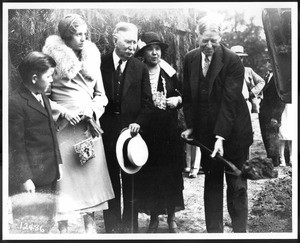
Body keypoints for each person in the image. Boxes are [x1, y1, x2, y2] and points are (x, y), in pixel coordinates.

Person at [42, 14, 114, 233]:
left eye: (85, 34)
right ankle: (63, 231)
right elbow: (43, 97)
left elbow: (102, 96)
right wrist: (63, 112)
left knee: (90, 182)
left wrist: (91, 109)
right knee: (65, 185)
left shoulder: (92, 58)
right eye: (77, 35)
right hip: (63, 130)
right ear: (66, 36)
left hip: (87, 128)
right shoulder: (51, 59)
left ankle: (89, 229)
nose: (83, 39)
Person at [181, 15, 253, 233]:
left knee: (236, 185)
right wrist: (192, 125)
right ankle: (215, 233)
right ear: (197, 37)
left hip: (234, 133)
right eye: (205, 41)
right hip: (206, 134)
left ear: (220, 37)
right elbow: (189, 96)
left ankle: (240, 232)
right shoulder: (190, 59)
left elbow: (230, 102)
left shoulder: (233, 61)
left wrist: (221, 136)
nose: (209, 45)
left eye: (214, 40)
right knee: (212, 185)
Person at [100, 22, 154, 233]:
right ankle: (112, 228)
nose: (133, 47)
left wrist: (138, 123)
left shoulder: (139, 68)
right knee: (109, 181)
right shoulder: (101, 64)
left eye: (135, 42)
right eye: (128, 41)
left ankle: (130, 229)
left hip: (130, 136)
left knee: (130, 181)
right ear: (115, 39)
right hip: (106, 132)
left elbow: (148, 103)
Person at [134, 32, 184, 233]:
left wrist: (178, 101)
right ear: (144, 52)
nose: (155, 53)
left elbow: (184, 94)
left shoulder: (170, 72)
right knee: (151, 175)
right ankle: (154, 217)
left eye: (158, 49)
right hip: (148, 132)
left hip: (169, 131)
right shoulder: (138, 71)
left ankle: (171, 216)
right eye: (150, 49)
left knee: (171, 174)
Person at [9, 51, 61, 196]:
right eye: (49, 76)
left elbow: (51, 131)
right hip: (31, 179)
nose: (52, 80)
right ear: (34, 78)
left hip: (50, 173)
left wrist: (58, 165)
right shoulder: (15, 102)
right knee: (31, 218)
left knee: (49, 218)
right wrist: (24, 178)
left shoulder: (42, 95)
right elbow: (15, 146)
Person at [258, 58, 285, 167]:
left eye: (271, 62)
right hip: (264, 111)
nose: (269, 64)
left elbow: (280, 99)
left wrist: (275, 116)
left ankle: (275, 161)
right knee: (266, 136)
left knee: (273, 136)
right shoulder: (266, 76)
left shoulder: (278, 78)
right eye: (267, 62)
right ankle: (271, 158)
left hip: (272, 113)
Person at [230, 45, 265, 114]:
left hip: (246, 102)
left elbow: (261, 82)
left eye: (241, 58)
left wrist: (253, 92)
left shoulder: (248, 71)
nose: (239, 60)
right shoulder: (226, 72)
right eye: (236, 58)